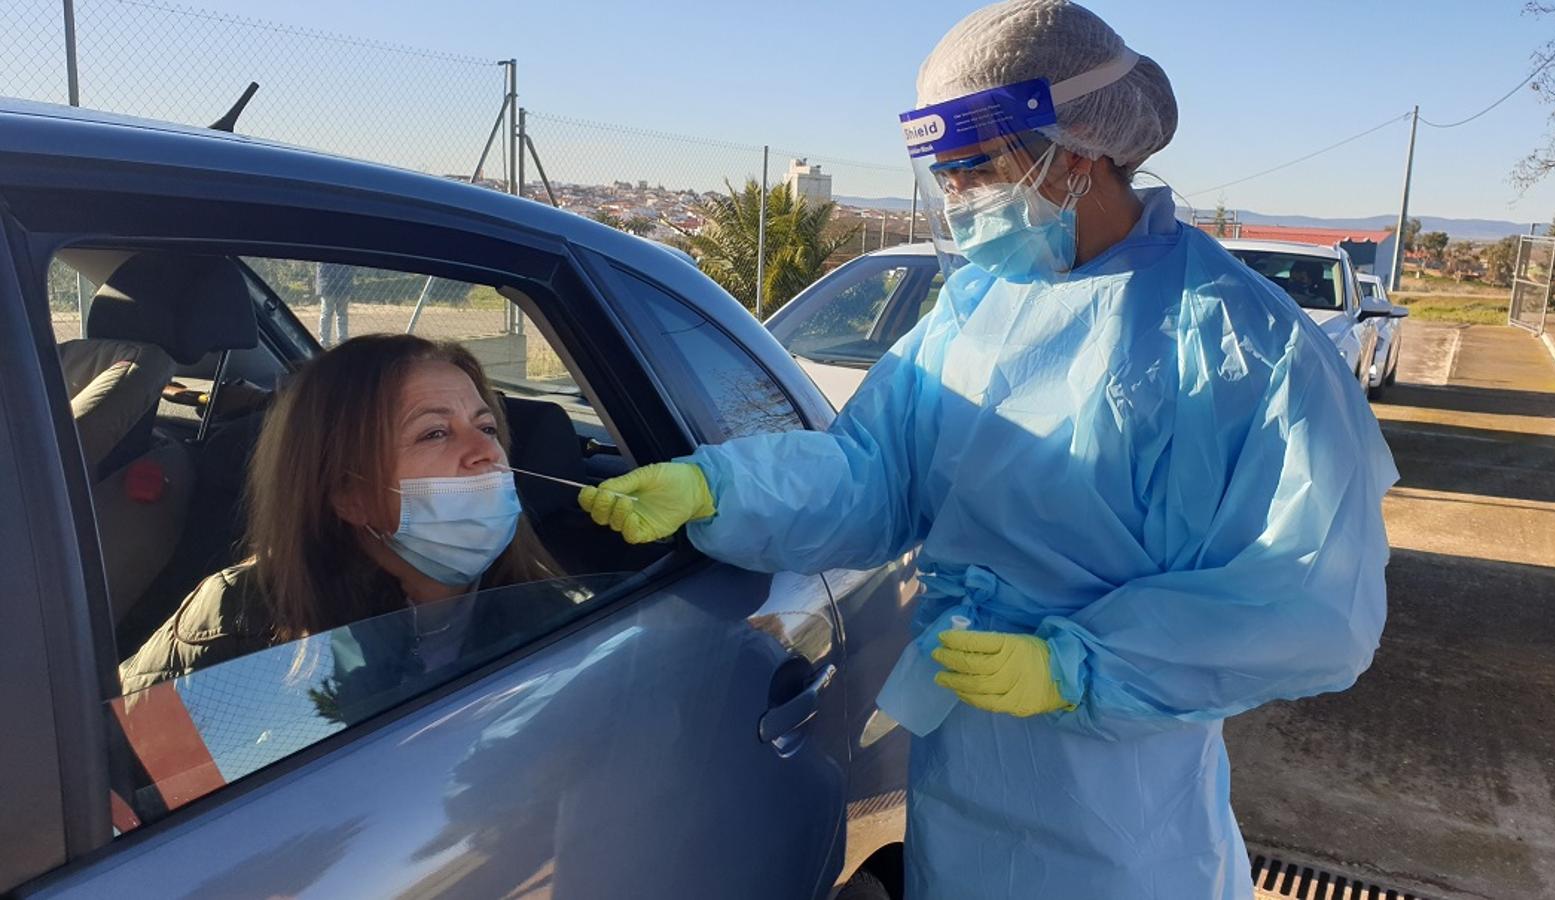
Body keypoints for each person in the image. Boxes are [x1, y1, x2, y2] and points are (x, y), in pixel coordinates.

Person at [578, 2, 1397, 897]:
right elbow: (872, 476)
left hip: (1122, 808)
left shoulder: (1245, 345)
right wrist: (721, 489)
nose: (957, 198)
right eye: (944, 174)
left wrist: (1081, 667)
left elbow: (1309, 599)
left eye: (977, 169)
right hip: (958, 775)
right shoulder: (981, 309)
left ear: (1078, 151)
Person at [120, 334, 560, 697]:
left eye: (486, 428)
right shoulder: (238, 621)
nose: (488, 453)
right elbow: (139, 781)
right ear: (349, 495)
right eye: (435, 433)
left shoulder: (558, 614)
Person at [316, 261, 356, 346]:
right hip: (344, 283)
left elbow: (321, 268)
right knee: (342, 314)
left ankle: (325, 342)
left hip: (327, 283)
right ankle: (343, 340)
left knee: (326, 314)